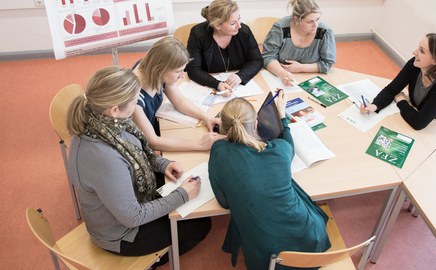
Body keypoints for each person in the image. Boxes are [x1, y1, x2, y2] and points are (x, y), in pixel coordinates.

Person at [67, 66, 211, 263]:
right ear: (115, 109)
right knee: (200, 225)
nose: (137, 105)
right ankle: (147, 263)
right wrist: (182, 195)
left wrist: (163, 164)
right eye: (135, 101)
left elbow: (138, 153)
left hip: (131, 196)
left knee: (191, 205)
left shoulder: (105, 120)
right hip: (123, 234)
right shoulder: (103, 157)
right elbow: (132, 217)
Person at [208, 92, 331, 269]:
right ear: (256, 124)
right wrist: (281, 114)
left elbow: (225, 203)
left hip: (266, 257)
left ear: (224, 130)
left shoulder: (219, 151)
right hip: (310, 242)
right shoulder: (280, 150)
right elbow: (287, 142)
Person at [132, 36, 225, 152]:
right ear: (160, 68)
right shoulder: (134, 97)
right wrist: (199, 145)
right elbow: (153, 141)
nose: (182, 76)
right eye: (178, 71)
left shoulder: (154, 71)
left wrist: (206, 118)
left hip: (152, 129)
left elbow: (179, 100)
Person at [361, 33, 436, 135]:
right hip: (418, 117)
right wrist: (374, 106)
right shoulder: (415, 65)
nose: (414, 52)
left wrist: (402, 101)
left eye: (422, 51)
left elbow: (418, 123)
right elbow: (391, 89)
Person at [186, 0, 263, 94]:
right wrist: (217, 84)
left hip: (240, 88)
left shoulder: (244, 32)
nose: (239, 26)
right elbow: (193, 69)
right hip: (208, 87)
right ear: (218, 25)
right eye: (233, 23)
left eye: (239, 19)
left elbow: (257, 60)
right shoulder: (198, 34)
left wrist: (240, 76)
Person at [262, 0, 336, 87]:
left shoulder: (324, 31)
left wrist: (300, 68)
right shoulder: (280, 28)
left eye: (317, 19)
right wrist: (282, 73)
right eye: (309, 21)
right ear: (296, 19)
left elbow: (327, 63)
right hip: (280, 78)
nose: (315, 25)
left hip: (313, 77)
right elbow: (268, 57)